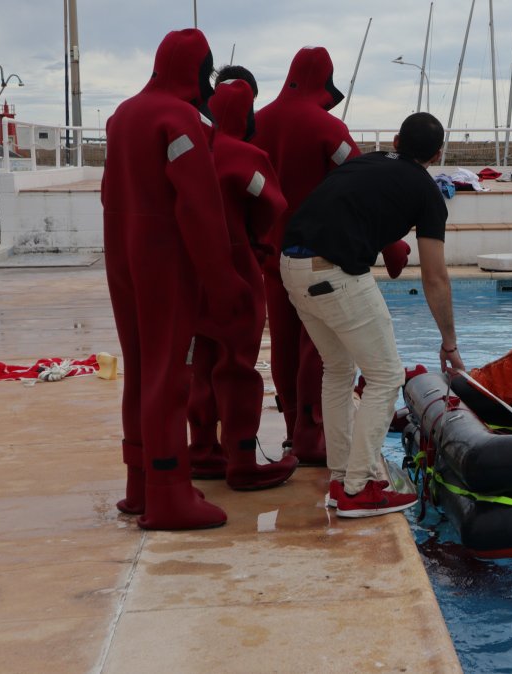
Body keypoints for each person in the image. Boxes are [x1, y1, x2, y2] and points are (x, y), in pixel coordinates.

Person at [279, 111, 462, 518]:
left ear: (396, 141)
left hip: (289, 266)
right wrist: (450, 343)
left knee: (338, 370)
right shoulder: (428, 193)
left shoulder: (368, 161)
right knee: (386, 376)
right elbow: (435, 277)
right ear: (436, 155)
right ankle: (358, 488)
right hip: (333, 271)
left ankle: (342, 479)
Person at [102, 28, 250, 529]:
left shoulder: (122, 115)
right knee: (170, 374)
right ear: (199, 71)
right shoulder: (178, 117)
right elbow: (199, 208)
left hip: (122, 257)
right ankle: (169, 494)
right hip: (165, 263)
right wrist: (223, 280)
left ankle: (139, 485)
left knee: (141, 369)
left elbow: (109, 190)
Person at [184, 77, 299, 490]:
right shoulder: (247, 155)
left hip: (193, 272)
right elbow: (274, 205)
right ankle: (243, 460)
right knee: (238, 367)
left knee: (201, 366)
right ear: (248, 115)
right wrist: (260, 244)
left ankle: (201, 450)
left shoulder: (193, 150)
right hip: (238, 264)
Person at [252, 46, 361, 466]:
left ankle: (291, 426)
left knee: (281, 342)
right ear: (325, 79)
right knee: (316, 344)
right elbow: (358, 180)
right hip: (315, 256)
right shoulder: (327, 127)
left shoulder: (256, 122)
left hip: (269, 253)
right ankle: (311, 434)